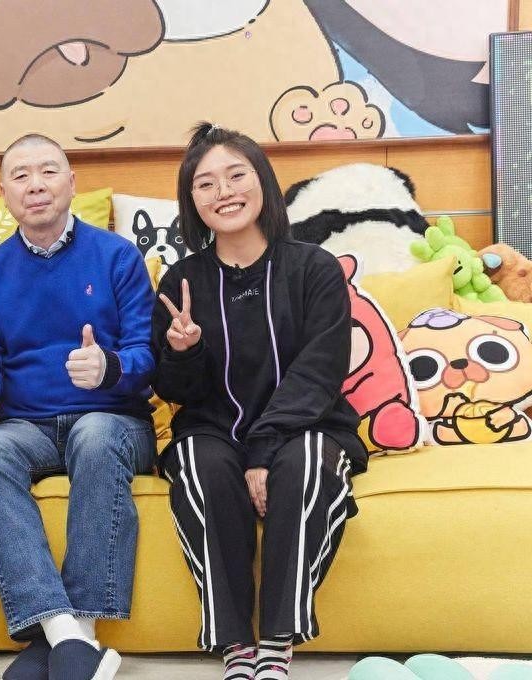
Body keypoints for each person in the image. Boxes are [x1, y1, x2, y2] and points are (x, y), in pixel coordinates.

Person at [152, 122, 366, 680]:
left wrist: (263, 451)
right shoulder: (181, 283)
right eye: (205, 184)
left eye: (236, 175)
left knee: (308, 464)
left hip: (306, 426)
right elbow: (177, 393)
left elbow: (319, 372)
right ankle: (233, 642)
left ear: (263, 182)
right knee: (197, 464)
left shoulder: (314, 268)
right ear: (192, 202)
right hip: (214, 431)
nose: (223, 192)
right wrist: (183, 352)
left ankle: (277, 638)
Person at [0, 133, 157, 680]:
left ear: (72, 183)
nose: (36, 185)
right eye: (20, 175)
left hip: (116, 422)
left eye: (48, 171)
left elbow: (148, 358)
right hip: (30, 426)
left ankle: (81, 633)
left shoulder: (118, 257)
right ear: (4, 193)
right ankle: (62, 632)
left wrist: (110, 367)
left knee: (94, 433)